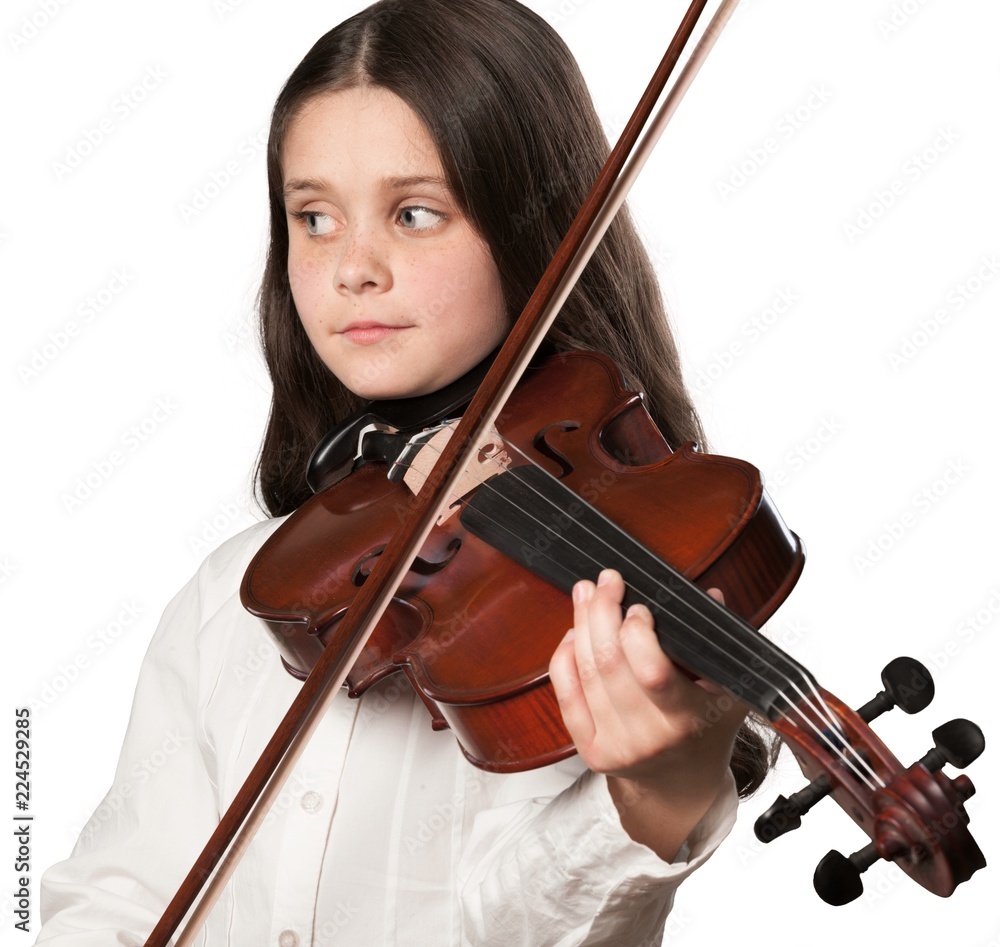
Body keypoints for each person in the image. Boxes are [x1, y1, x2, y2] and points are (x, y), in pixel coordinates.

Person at [37, 1, 774, 943]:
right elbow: (115, 892)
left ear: (533, 230)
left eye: (414, 213)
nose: (353, 267)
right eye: (313, 217)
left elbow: (505, 923)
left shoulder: (595, 601)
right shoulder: (238, 592)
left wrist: (653, 791)